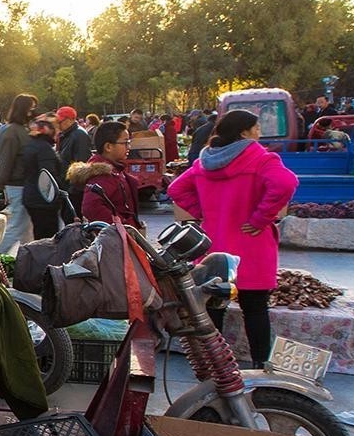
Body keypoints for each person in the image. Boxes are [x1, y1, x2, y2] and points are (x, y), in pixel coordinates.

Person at [167, 110, 298, 366]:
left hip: (214, 248)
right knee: (256, 310)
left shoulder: (205, 161)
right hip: (252, 248)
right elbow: (286, 183)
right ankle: (262, 364)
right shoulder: (261, 159)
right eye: (256, 128)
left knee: (214, 308)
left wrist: (202, 212)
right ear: (244, 132)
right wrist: (260, 218)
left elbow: (176, 188)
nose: (259, 133)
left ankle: (216, 365)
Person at [67, 120, 143, 227]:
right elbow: (90, 208)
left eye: (129, 142)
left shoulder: (114, 169)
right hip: (113, 240)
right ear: (108, 147)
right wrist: (121, 227)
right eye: (125, 142)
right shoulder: (102, 174)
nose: (129, 147)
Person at [0, 93, 38, 252]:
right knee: (18, 227)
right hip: (17, 184)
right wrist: (0, 184)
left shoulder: (21, 130)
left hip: (23, 183)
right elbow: (7, 160)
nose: (33, 112)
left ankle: (25, 260)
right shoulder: (13, 132)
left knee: (25, 228)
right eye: (31, 108)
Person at [19, 113, 67, 240]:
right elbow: (48, 175)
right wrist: (59, 194)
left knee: (39, 235)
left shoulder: (31, 145)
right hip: (44, 200)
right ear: (47, 129)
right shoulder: (45, 148)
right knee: (48, 238)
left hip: (32, 196)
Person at [56, 106, 93, 213]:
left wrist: (73, 189)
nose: (58, 125)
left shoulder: (79, 135)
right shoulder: (66, 135)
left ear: (69, 120)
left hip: (74, 189)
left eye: (60, 122)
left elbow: (81, 163)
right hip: (66, 186)